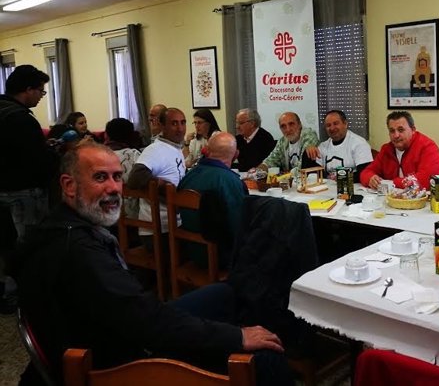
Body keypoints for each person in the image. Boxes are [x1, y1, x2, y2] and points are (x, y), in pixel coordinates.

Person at [11, 142, 291, 386]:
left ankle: (259, 333)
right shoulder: (80, 252)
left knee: (225, 291)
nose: (113, 188)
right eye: (100, 177)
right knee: (265, 360)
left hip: (110, 331)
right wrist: (235, 338)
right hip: (120, 364)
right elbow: (149, 323)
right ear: (69, 185)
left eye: (117, 177)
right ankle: (259, 348)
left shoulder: (58, 227)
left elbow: (133, 309)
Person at [0, 65, 57, 314]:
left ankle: (6, 291)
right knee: (29, 245)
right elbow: (38, 162)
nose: (40, 97)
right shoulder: (21, 119)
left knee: (5, 244)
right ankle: (27, 296)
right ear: (28, 90)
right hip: (23, 192)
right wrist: (57, 154)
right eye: (41, 92)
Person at [178, 132, 248, 267]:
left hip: (190, 250)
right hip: (218, 256)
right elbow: (239, 226)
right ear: (235, 155)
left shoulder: (189, 176)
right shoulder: (229, 181)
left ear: (206, 151)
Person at [128, 107, 187, 241]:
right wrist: (164, 186)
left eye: (183, 123)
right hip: (159, 232)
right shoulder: (155, 150)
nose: (180, 128)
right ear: (162, 126)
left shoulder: (175, 147)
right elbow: (135, 178)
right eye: (174, 123)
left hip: (174, 224)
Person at [360, 111, 439, 190]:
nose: (396, 135)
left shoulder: (428, 147)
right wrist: (370, 178)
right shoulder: (386, 149)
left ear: (413, 130)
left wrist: (391, 183)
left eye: (401, 130)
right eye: (392, 131)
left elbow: (425, 181)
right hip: (393, 201)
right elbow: (366, 172)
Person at [305, 110, 373, 181]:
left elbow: (365, 173)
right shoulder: (323, 146)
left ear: (345, 124)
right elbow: (314, 171)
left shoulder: (359, 143)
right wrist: (309, 151)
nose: (332, 128)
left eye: (336, 123)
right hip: (329, 188)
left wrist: (340, 177)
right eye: (328, 125)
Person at [105, 117, 141, 219]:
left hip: (104, 212)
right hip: (131, 214)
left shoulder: (99, 155)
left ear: (107, 135)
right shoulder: (134, 155)